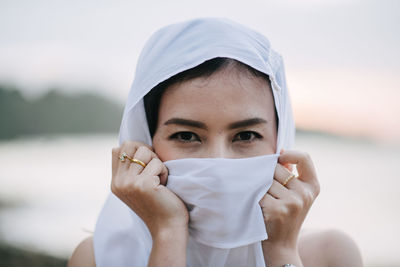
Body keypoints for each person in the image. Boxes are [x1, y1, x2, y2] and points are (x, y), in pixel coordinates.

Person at [68, 18, 363, 267]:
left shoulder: (328, 255)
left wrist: (282, 252)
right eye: (186, 136)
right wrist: (168, 236)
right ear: (145, 142)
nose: (218, 162)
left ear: (279, 141)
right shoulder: (98, 258)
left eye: (246, 136)